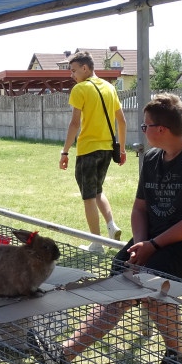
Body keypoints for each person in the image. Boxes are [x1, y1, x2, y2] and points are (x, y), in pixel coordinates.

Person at [52, 94, 182, 364]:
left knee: (147, 284)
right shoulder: (153, 158)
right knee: (121, 280)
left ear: (161, 129)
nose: (141, 130)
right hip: (152, 240)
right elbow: (139, 208)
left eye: (145, 126)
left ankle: (177, 356)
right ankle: (64, 353)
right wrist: (139, 245)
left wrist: (153, 247)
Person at [59, 51, 127, 254]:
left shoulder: (80, 89)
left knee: (88, 196)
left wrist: (65, 152)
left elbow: (74, 124)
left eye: (74, 71)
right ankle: (111, 225)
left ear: (85, 68)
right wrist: (121, 149)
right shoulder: (109, 87)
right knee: (97, 191)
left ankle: (96, 244)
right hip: (107, 149)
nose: (72, 75)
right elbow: (121, 121)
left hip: (88, 150)